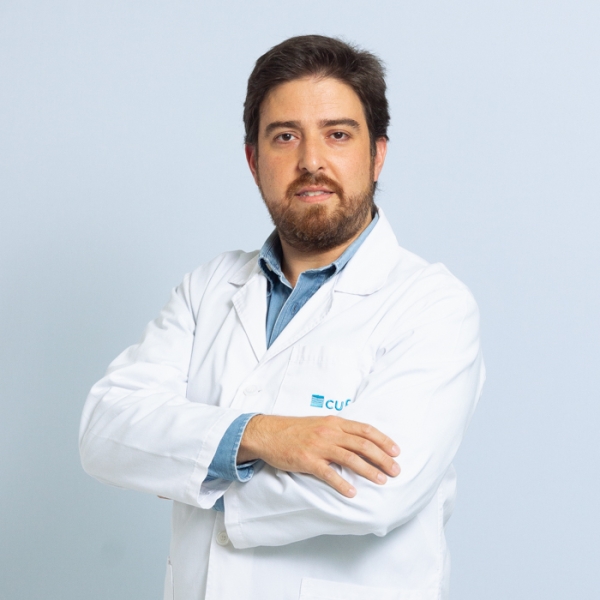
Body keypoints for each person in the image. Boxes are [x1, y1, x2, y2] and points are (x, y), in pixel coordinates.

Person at [79, 35, 485, 600]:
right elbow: (105, 431)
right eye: (285, 136)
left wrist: (188, 468)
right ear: (253, 161)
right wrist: (263, 435)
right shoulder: (208, 289)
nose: (311, 161)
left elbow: (375, 492)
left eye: (337, 134)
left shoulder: (432, 305)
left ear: (377, 155)